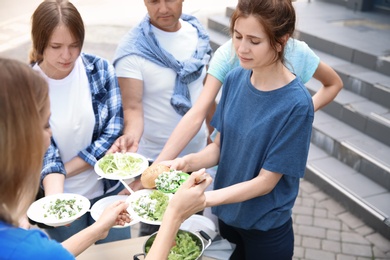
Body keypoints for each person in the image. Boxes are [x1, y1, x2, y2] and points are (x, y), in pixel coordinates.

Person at [0, 57, 212, 260]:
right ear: (20, 140)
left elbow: (52, 254)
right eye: (47, 125)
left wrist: (98, 229)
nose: (51, 135)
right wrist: (174, 213)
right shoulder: (27, 248)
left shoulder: (24, 242)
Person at [164, 0, 316, 258]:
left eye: (254, 41)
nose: (242, 49)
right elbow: (220, 148)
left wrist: (204, 201)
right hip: (228, 217)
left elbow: (266, 183)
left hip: (265, 230)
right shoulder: (235, 79)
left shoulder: (297, 104)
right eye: (237, 36)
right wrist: (186, 161)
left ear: (281, 40)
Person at [108, 0, 212, 236]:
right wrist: (130, 138)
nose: (163, 8)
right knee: (156, 235)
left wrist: (211, 139)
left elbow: (206, 94)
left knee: (191, 232)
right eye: (154, 1)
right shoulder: (132, 50)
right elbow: (132, 109)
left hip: (194, 157)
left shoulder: (198, 36)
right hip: (155, 162)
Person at [29, 0, 128, 243]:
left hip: (108, 193)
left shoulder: (100, 70)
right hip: (62, 198)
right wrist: (56, 202)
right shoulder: (27, 86)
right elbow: (44, 152)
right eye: (56, 46)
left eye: (74, 45)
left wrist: (63, 171)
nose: (67, 55)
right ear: (40, 43)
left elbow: (112, 131)